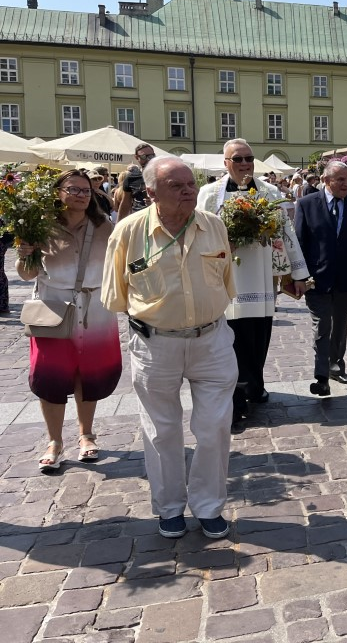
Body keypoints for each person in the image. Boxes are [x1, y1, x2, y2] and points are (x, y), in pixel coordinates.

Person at [102, 156, 237, 539]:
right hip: (154, 343)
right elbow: (116, 294)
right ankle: (170, 507)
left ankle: (209, 505)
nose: (188, 191)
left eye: (190, 183)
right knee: (162, 430)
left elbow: (227, 281)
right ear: (151, 193)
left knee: (214, 427)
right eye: (176, 186)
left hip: (211, 341)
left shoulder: (213, 226)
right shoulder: (128, 232)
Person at [198, 139, 309, 435]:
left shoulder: (270, 192)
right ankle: (236, 399)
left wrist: (298, 273)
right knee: (230, 342)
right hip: (226, 277)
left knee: (259, 337)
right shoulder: (209, 195)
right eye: (238, 159)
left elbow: (286, 234)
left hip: (260, 279)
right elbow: (197, 234)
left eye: (249, 158)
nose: (245, 164)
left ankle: (255, 385)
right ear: (226, 163)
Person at [17, 170, 121, 471]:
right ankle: (55, 441)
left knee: (89, 374)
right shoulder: (41, 227)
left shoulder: (104, 226)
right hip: (54, 307)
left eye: (86, 190)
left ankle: (86, 434)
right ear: (57, 192)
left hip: (95, 309)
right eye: (73, 189)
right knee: (51, 375)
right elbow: (26, 275)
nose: (81, 195)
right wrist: (25, 254)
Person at [294, 160, 347, 396]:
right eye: (339, 179)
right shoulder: (306, 204)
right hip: (316, 278)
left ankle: (335, 364)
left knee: (340, 327)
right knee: (322, 326)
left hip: (346, 277)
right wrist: (298, 276)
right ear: (325, 181)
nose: (345, 184)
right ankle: (321, 377)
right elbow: (299, 243)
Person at [116, 143, 156, 221]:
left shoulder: (162, 176)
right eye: (144, 156)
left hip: (159, 220)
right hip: (139, 220)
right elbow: (125, 204)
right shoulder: (131, 178)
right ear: (137, 157)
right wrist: (118, 225)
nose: (148, 159)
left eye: (151, 156)